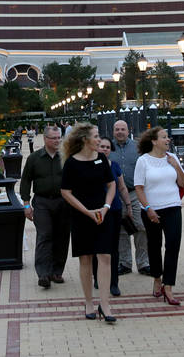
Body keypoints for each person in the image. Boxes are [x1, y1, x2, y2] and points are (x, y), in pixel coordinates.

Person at [60, 123, 118, 323]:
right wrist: (86, 212)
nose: (100, 140)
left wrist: (106, 208)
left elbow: (111, 185)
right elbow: (65, 192)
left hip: (102, 214)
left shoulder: (102, 159)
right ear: (85, 139)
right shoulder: (71, 163)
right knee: (85, 259)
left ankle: (105, 304)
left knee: (105, 257)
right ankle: (88, 302)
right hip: (81, 215)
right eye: (96, 136)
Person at [135, 126, 184, 305]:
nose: (168, 140)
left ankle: (169, 287)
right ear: (154, 141)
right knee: (155, 245)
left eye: (168, 137)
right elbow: (139, 188)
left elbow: (183, 183)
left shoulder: (171, 158)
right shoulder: (143, 161)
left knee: (173, 246)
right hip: (152, 209)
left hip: (173, 207)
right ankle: (157, 278)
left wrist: (176, 167)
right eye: (164, 137)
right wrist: (148, 208)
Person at [20, 125, 71, 289]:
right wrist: (26, 204)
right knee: (44, 235)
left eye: (59, 138)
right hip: (42, 202)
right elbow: (26, 181)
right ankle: (43, 274)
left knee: (62, 236)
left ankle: (57, 271)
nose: (57, 141)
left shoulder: (66, 157)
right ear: (45, 139)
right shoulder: (34, 158)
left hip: (64, 202)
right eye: (54, 138)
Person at [92, 136, 132, 297]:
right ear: (97, 147)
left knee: (114, 248)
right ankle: (97, 277)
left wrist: (128, 205)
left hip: (114, 210)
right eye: (102, 146)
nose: (105, 149)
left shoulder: (114, 166)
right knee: (98, 246)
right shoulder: (91, 166)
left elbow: (122, 188)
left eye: (108, 147)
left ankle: (114, 282)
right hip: (97, 211)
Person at [109, 119, 150, 276]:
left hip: (135, 193)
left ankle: (143, 263)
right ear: (113, 131)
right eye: (117, 129)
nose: (120, 132)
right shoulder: (108, 148)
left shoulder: (138, 147)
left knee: (140, 227)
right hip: (115, 195)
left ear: (128, 130)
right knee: (121, 230)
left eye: (122, 129)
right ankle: (124, 263)